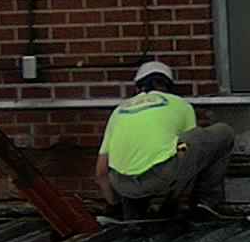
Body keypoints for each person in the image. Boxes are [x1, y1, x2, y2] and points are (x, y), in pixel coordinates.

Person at [98, 59, 238, 223]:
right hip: (162, 178)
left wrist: (115, 205)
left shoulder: (119, 110)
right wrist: (176, 198)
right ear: (169, 86)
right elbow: (190, 156)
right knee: (221, 133)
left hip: (123, 185)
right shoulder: (181, 104)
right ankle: (204, 204)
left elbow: (101, 172)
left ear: (137, 88)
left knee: (138, 165)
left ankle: (134, 211)